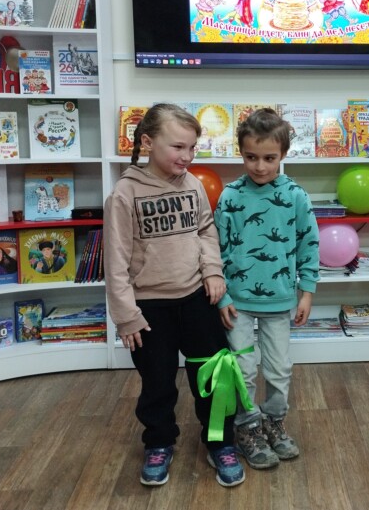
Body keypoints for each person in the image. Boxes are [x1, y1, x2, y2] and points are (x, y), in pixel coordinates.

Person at [103, 103, 244, 488]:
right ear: (148, 142)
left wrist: (213, 272)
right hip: (149, 309)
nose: (187, 156)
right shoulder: (125, 194)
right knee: (158, 382)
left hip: (197, 299)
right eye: (178, 147)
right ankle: (159, 442)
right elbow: (115, 261)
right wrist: (126, 316)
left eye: (192, 148)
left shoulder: (193, 184)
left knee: (215, 375)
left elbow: (205, 231)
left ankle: (220, 442)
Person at [213, 108, 319, 471]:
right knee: (243, 370)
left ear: (284, 154)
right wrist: (223, 297)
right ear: (241, 153)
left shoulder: (296, 196)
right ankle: (248, 427)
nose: (260, 167)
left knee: (278, 369)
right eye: (251, 157)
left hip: (279, 301)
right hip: (236, 303)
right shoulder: (230, 196)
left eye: (270, 158)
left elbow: (308, 244)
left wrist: (307, 291)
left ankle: (274, 422)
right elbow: (216, 249)